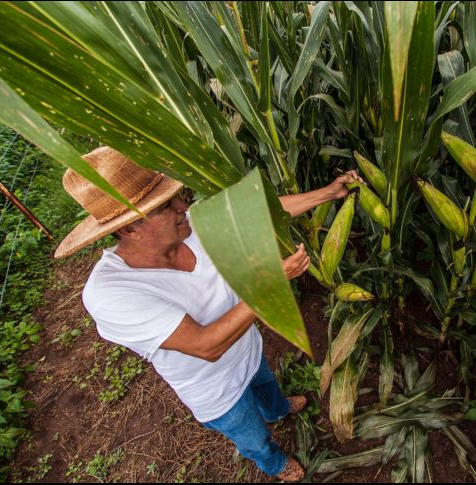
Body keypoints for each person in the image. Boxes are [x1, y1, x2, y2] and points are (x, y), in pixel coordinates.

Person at [54, 146, 363, 482]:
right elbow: (206, 346)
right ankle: (274, 463)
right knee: (252, 437)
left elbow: (262, 212)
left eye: (177, 198)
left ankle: (278, 408)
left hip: (247, 347)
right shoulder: (111, 294)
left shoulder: (192, 225)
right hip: (216, 390)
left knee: (266, 385)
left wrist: (329, 193)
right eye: (165, 205)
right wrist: (270, 280)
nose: (183, 208)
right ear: (129, 229)